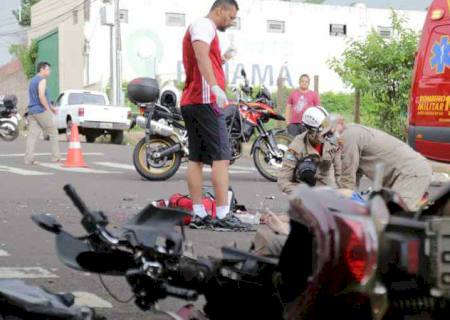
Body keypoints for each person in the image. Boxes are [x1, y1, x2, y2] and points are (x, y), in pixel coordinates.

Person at [180, 0, 247, 231]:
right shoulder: (203, 25)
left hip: (192, 100)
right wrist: (215, 86)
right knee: (221, 157)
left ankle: (198, 213)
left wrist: (225, 57)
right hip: (206, 100)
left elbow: (207, 58)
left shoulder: (204, 29)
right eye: (230, 17)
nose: (230, 22)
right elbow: (201, 56)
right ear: (220, 10)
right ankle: (222, 214)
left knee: (196, 158)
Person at [332, 116, 432, 211]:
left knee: (394, 218)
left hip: (410, 173)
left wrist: (341, 202)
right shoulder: (356, 131)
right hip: (411, 170)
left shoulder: (348, 135)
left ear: (339, 123)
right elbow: (354, 175)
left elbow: (347, 176)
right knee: (383, 215)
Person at [278, 106, 342, 195]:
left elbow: (340, 173)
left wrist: (344, 193)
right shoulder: (296, 148)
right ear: (311, 132)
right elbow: (283, 181)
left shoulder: (333, 141)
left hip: (326, 184)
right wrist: (305, 194)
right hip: (303, 188)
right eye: (323, 129)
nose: (327, 132)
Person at [24, 62, 61, 165]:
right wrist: (47, 109)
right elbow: (41, 96)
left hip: (32, 111)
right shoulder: (42, 80)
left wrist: (51, 107)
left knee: (32, 136)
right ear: (42, 69)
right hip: (40, 110)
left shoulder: (32, 81)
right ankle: (56, 157)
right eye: (48, 69)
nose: (50, 71)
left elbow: (37, 97)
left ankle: (29, 159)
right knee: (53, 131)